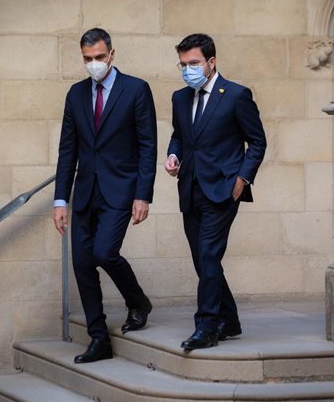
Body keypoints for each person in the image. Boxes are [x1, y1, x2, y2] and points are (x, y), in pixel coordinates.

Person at [53, 28, 157, 363]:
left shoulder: (136, 90)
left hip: (121, 190)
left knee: (104, 252)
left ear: (111, 54)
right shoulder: (76, 94)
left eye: (99, 57)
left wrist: (143, 195)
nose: (93, 64)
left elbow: (147, 147)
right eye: (87, 59)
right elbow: (67, 150)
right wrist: (60, 200)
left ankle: (137, 301)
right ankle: (99, 338)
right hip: (85, 192)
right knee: (82, 263)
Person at [165, 33, 266, 350]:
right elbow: (179, 137)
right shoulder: (180, 98)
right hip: (190, 188)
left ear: (211, 62)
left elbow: (258, 142)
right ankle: (231, 320)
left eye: (193, 63)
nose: (187, 70)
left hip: (223, 190)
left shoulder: (236, 95)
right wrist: (173, 155)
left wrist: (242, 180)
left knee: (209, 255)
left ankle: (206, 327)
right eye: (183, 64)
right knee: (202, 260)